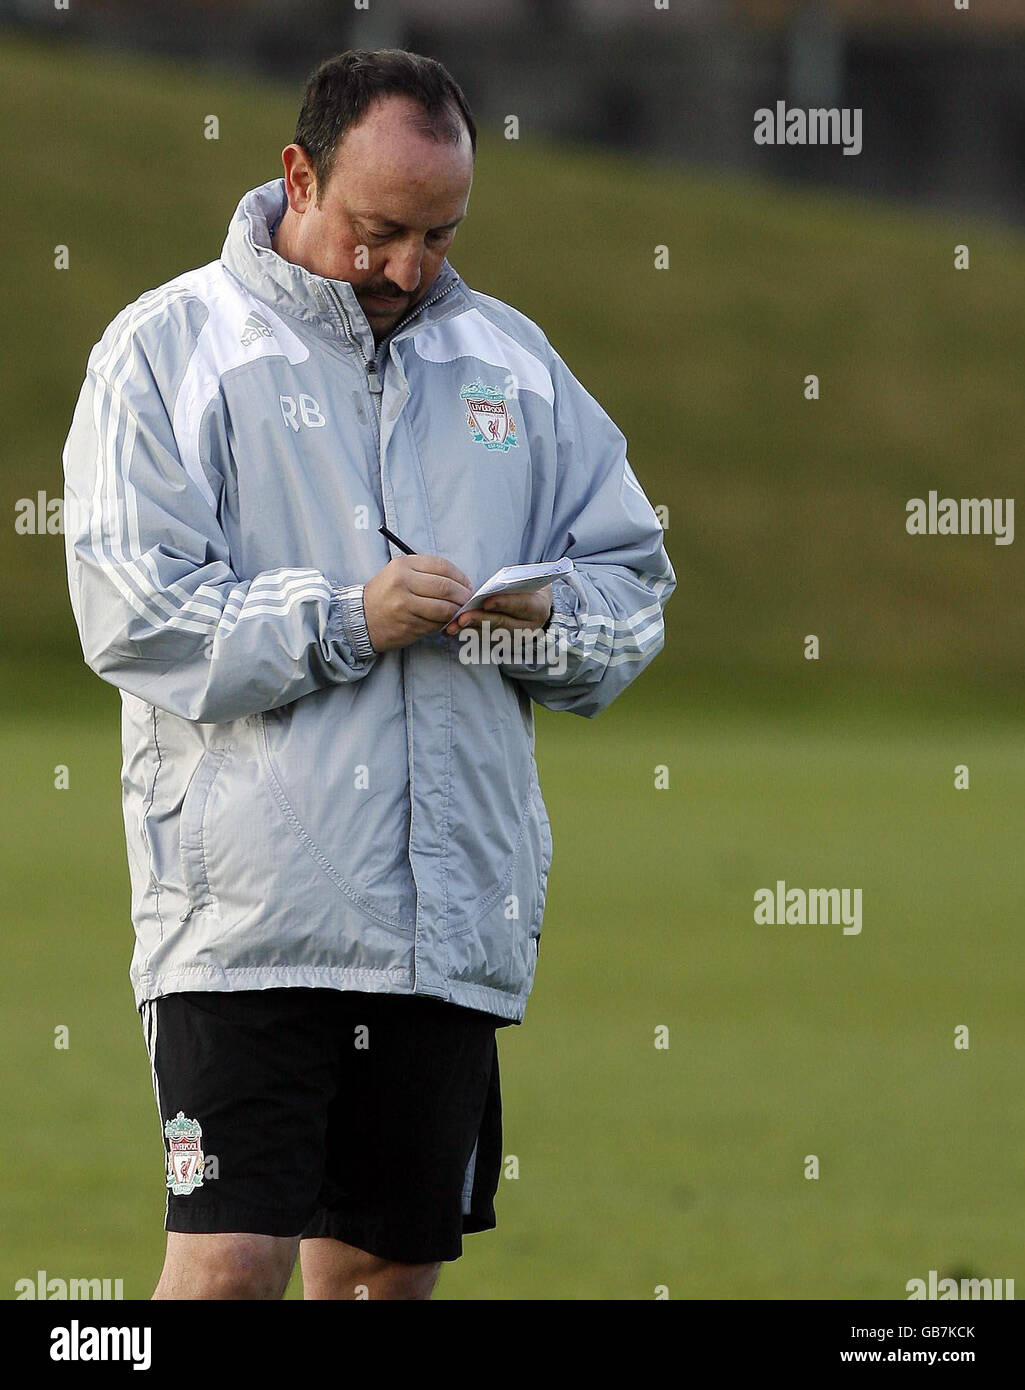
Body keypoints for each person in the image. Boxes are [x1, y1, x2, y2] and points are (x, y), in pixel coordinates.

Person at [62, 48, 676, 1300]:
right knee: (230, 1269)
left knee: (377, 1284)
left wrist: (529, 620)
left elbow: (634, 587)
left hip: (442, 926)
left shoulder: (510, 363)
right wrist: (350, 617)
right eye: (381, 230)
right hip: (244, 927)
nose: (409, 267)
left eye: (440, 234)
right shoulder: (164, 350)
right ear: (298, 175)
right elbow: (136, 614)